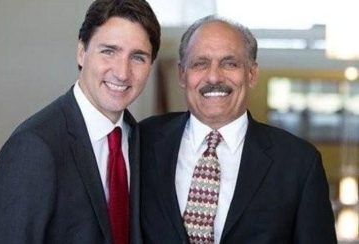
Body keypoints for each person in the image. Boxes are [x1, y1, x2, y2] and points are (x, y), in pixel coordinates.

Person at [139, 15, 337, 244]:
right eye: (200, 63)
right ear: (183, 74)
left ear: (251, 74)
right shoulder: (142, 140)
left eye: (229, 63)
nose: (214, 76)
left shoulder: (299, 164)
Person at [0, 0, 160, 243]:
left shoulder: (140, 140)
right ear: (81, 52)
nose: (122, 72)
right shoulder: (33, 148)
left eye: (138, 57)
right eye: (109, 51)